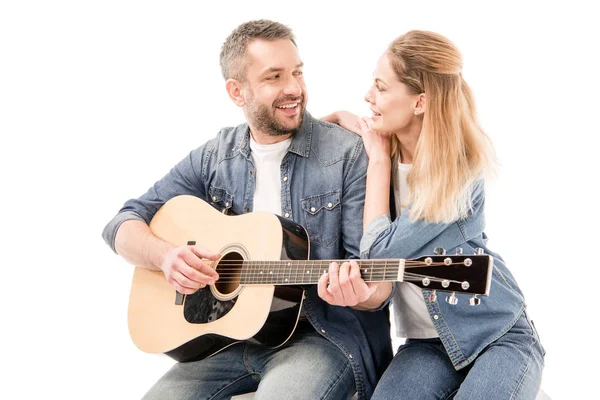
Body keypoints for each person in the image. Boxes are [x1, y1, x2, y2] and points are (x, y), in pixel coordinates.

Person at [102, 20, 392, 400]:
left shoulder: (347, 155)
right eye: (274, 77)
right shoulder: (215, 156)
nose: (294, 89)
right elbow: (121, 224)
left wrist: (359, 292)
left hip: (322, 338)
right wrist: (166, 256)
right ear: (237, 91)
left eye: (297, 72)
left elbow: (376, 286)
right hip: (226, 340)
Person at [321, 30, 545, 399]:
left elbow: (378, 254)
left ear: (419, 102)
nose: (367, 97)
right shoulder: (380, 151)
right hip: (426, 344)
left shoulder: (459, 171)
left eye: (381, 87)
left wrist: (377, 160)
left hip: (498, 335)